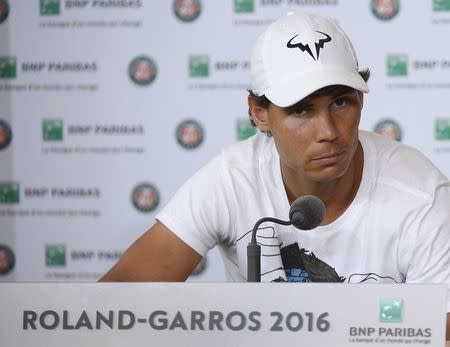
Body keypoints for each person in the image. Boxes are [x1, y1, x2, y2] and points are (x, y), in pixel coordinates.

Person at [100, 12, 450, 339]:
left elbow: (443, 333)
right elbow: (115, 304)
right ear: (259, 113)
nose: (328, 131)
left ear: (361, 97)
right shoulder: (233, 178)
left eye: (341, 102)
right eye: (301, 109)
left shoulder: (421, 196)